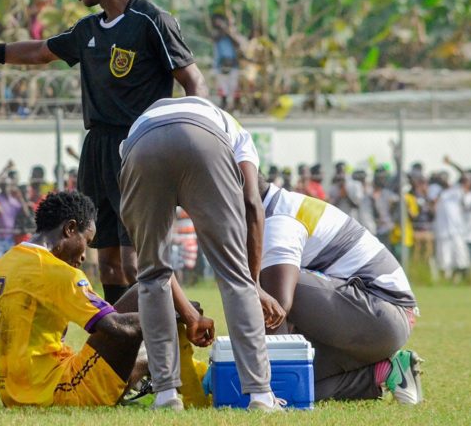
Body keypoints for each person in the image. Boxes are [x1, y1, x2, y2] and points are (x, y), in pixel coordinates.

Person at [0, 0, 208, 303]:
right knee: (104, 260)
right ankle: (122, 349)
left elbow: (194, 82)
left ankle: (165, 337)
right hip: (96, 148)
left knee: (135, 261)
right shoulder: (87, 30)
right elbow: (39, 51)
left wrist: (192, 143)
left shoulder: (151, 20)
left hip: (138, 148)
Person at [0, 191, 214, 408]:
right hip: (61, 390)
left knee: (145, 298)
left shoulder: (5, 262)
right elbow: (119, 328)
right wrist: (179, 314)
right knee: (153, 300)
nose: (83, 256)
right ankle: (194, 391)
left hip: (16, 392)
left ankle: (160, 376)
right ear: (70, 229)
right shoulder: (59, 273)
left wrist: (18, 349)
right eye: (86, 241)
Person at [119, 96, 282, 411]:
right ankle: (260, 395)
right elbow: (252, 202)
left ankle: (166, 394)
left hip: (140, 144)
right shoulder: (236, 130)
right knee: (235, 277)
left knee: (152, 276)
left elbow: (153, 266)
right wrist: (254, 281)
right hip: (203, 139)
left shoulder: (140, 124)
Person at [257, 174, 423, 404]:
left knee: (265, 287)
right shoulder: (273, 210)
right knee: (292, 388)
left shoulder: (279, 218)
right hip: (365, 317)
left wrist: (250, 368)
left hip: (383, 311)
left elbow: (277, 305)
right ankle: (382, 372)